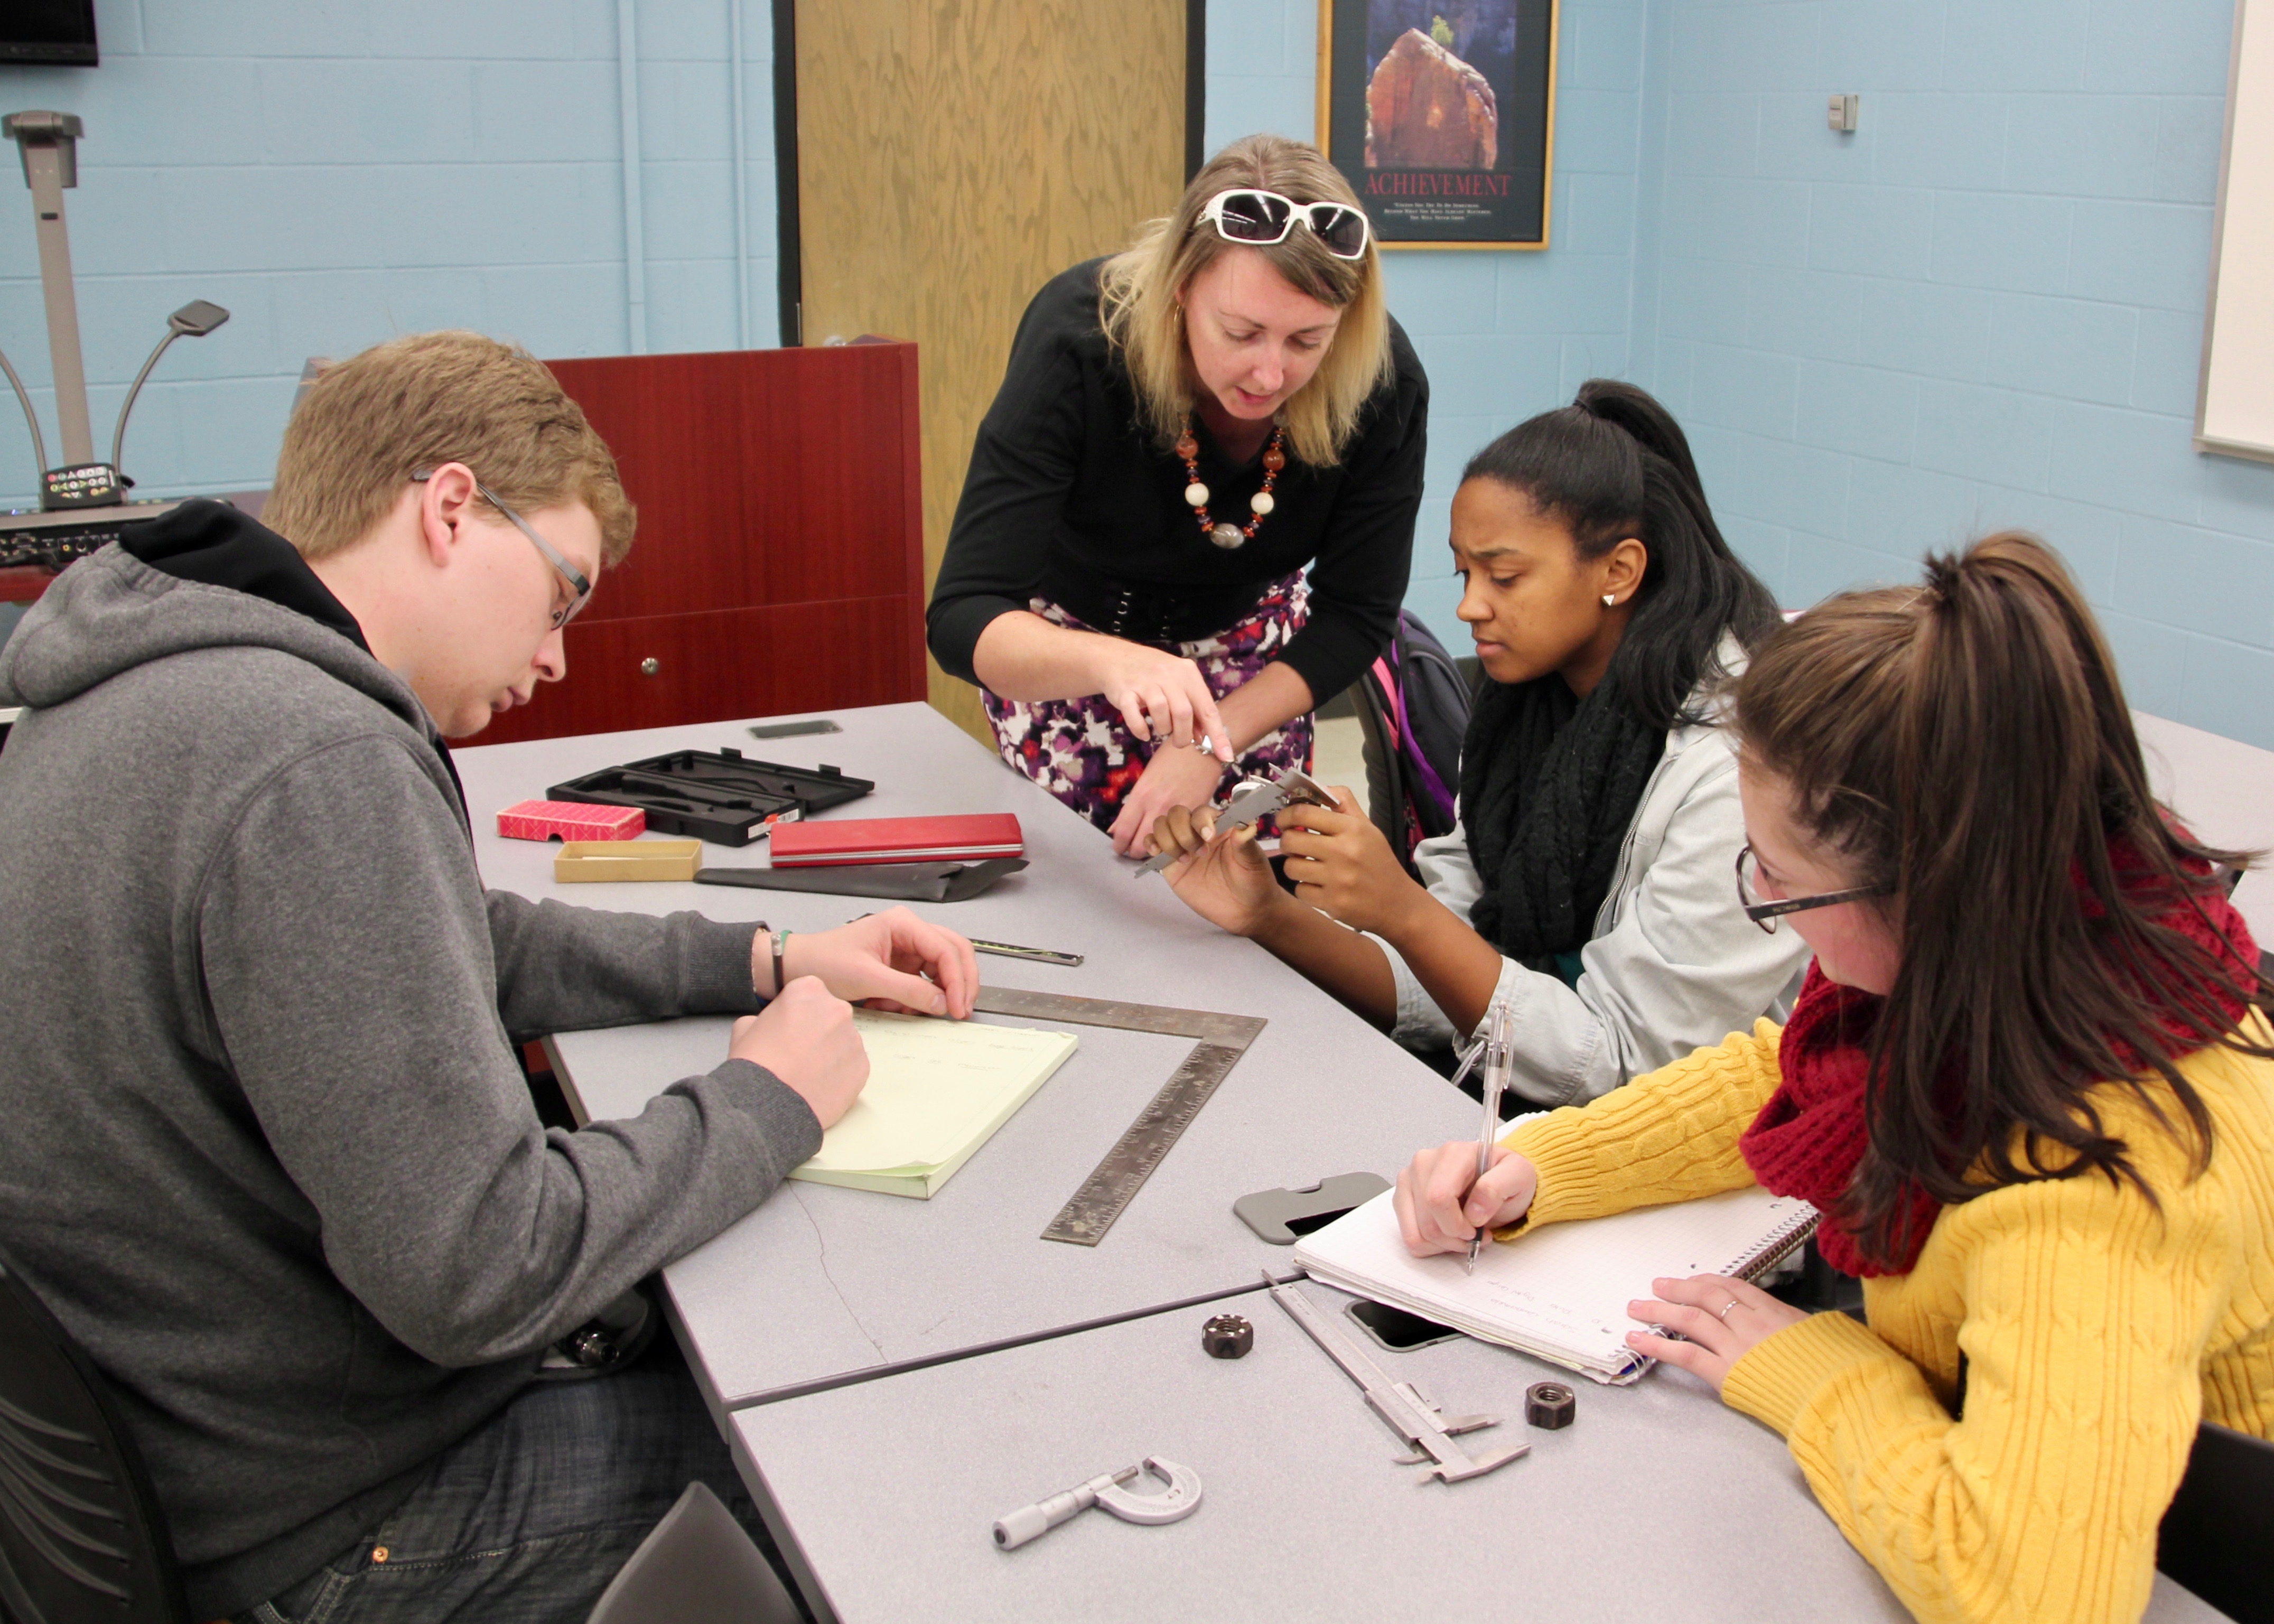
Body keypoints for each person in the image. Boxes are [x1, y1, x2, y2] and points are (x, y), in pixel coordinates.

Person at [0, 330, 978, 1623]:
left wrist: (768, 955)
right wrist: (767, 1099)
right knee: (855, 1470)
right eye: (564, 593)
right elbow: (482, 1266)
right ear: (452, 509)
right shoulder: (310, 758)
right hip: (332, 1520)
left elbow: (450, 938)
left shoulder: (152, 690)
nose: (560, 654)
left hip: (189, 1451)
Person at [1396, 535, 2274, 1624]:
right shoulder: (2029, 946)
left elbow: (2035, 1598)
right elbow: (1793, 1079)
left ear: (1930, 885)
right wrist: (1538, 1162)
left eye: (1781, 882)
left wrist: (1814, 1368)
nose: (1761, 902)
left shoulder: (2093, 1185)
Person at [1149, 381, 1810, 1106]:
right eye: (1466, 572)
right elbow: (1455, 977)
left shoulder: (1737, 766)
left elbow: (1629, 1068)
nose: (1468, 605)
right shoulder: (1526, 707)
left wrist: (1402, 908)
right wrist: (1274, 918)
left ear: (1619, 571)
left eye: (1505, 575)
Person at [927, 132, 1428, 855]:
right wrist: (1113, 661)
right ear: (1181, 287)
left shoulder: (1382, 379)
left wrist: (1212, 737)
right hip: (1071, 651)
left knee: (1254, 900)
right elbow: (961, 615)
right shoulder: (1081, 342)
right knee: (1090, 893)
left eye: (1306, 341)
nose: (1268, 374)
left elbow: (1359, 612)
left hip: (1258, 665)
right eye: (1241, 331)